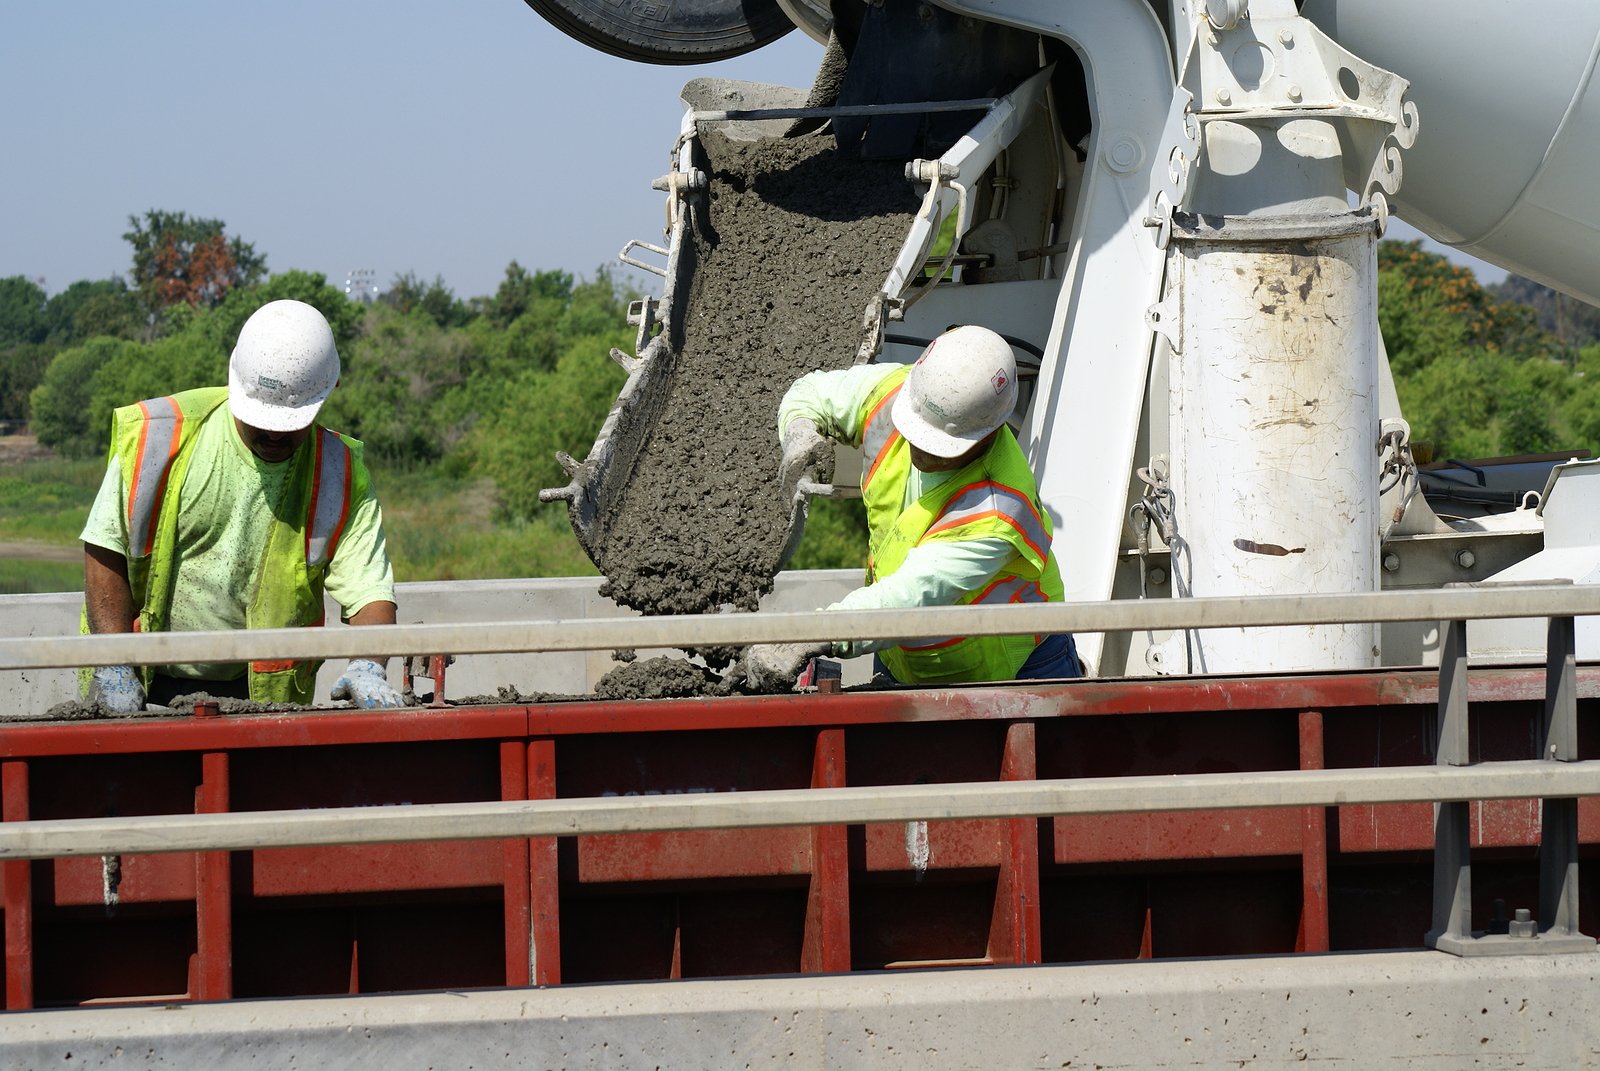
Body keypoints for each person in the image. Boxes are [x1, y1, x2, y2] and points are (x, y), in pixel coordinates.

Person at [80, 299, 405, 712]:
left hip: (262, 700)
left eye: (287, 424)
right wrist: (114, 661)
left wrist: (367, 663)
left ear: (328, 392)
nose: (272, 434)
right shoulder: (160, 439)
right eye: (261, 420)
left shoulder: (337, 473)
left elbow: (369, 591)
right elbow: (105, 546)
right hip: (144, 680)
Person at [744, 325, 1082, 691]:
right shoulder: (894, 393)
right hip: (901, 652)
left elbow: (907, 597)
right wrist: (799, 432)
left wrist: (805, 635)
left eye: (938, 445)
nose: (918, 450)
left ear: (987, 432)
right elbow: (812, 392)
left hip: (1009, 670)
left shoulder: (998, 509)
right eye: (914, 431)